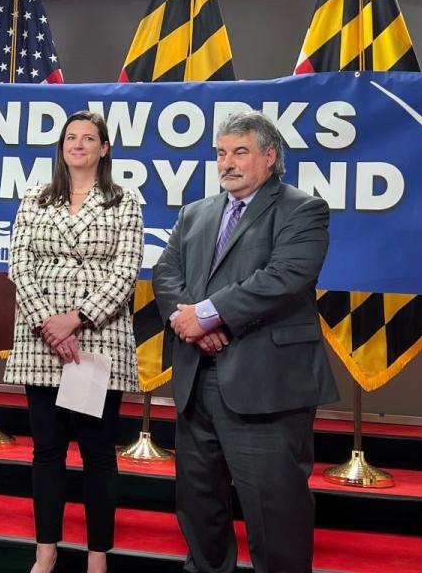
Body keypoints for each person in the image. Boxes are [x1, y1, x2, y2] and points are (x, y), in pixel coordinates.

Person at [152, 111, 339, 573]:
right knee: (199, 507)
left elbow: (284, 278)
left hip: (266, 385)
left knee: (275, 513)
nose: (227, 163)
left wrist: (209, 317)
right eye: (220, 153)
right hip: (197, 381)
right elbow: (165, 273)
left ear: (269, 156)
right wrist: (193, 323)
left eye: (240, 152)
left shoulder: (302, 209)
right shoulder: (195, 213)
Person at [3, 110, 144, 573]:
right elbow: (19, 266)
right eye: (71, 137)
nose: (78, 144)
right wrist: (50, 323)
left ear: (104, 149)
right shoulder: (34, 198)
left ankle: (97, 557)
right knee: (46, 451)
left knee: (98, 453)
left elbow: (126, 272)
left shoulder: (124, 200)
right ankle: (46, 553)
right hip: (41, 341)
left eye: (88, 138)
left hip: (98, 342)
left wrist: (77, 319)